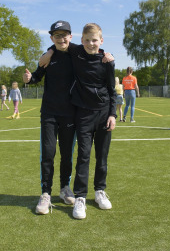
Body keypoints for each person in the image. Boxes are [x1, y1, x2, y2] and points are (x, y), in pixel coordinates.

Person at [42, 23, 117, 219]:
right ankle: (80, 197)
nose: (91, 44)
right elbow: (61, 44)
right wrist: (49, 52)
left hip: (103, 115)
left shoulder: (107, 61)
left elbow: (111, 90)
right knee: (83, 156)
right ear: (81, 40)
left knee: (102, 157)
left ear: (101, 41)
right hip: (82, 114)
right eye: (87, 40)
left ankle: (100, 191)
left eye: (95, 40)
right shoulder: (76, 52)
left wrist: (112, 115)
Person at [23, 20, 77, 214]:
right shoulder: (48, 56)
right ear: (51, 37)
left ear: (71, 36)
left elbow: (94, 50)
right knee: (47, 152)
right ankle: (45, 193)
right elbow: (38, 76)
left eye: (64, 35)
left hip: (71, 113)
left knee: (67, 154)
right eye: (57, 35)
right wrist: (30, 79)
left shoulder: (77, 53)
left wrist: (108, 57)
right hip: (49, 113)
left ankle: (64, 188)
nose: (61, 39)